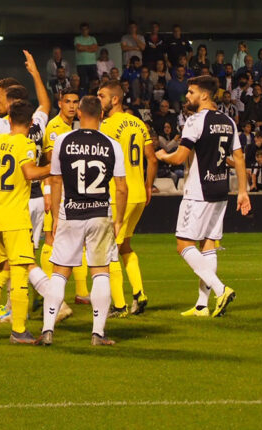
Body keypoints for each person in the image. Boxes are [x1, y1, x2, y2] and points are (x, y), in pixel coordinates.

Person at [32, 96, 127, 346]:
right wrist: (118, 220)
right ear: (101, 114)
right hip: (100, 214)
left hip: (70, 213)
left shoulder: (63, 141)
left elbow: (55, 181)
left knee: (60, 274)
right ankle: (97, 333)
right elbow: (121, 188)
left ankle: (48, 330)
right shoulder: (112, 145)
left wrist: (53, 217)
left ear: (80, 113)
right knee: (101, 273)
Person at [155, 75, 251, 317]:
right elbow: (238, 158)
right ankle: (201, 305)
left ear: (204, 95)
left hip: (198, 192)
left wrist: (162, 156)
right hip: (220, 191)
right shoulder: (228, 121)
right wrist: (242, 191)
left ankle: (221, 289)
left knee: (183, 245)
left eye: (191, 92)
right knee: (208, 245)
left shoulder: (195, 121)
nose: (187, 96)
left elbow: (178, 158)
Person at [0, 100, 51, 344]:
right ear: (32, 122)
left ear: (10, 119)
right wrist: (54, 167)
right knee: (20, 271)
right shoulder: (25, 143)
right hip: (14, 218)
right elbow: (30, 174)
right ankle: (19, 331)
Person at [98, 80, 158, 316]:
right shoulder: (138, 123)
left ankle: (119, 305)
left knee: (109, 250)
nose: (98, 99)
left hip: (118, 196)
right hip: (139, 193)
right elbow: (152, 159)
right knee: (125, 247)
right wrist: (149, 186)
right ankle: (139, 293)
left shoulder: (108, 126)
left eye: (102, 95)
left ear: (115, 99)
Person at [40, 88, 90, 304]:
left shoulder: (72, 127)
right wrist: (49, 193)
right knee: (51, 238)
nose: (71, 105)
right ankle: (48, 291)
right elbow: (51, 165)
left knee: (79, 241)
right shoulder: (55, 127)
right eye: (67, 101)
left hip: (70, 191)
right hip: (54, 190)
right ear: (59, 103)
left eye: (75, 102)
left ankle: (81, 293)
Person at [74, 23, 99, 93]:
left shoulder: (92, 39)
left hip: (92, 63)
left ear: (88, 30)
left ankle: (93, 95)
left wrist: (84, 47)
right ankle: (83, 96)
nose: (84, 31)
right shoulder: (77, 38)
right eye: (83, 29)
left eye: (86, 29)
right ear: (80, 30)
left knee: (94, 82)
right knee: (83, 82)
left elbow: (95, 48)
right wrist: (89, 47)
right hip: (81, 64)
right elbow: (78, 48)